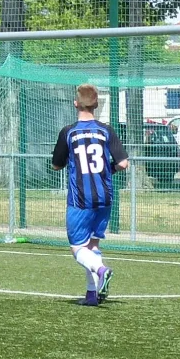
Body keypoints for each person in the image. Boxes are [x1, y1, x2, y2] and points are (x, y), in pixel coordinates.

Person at [52, 84, 129, 306]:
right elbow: (123, 163)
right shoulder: (106, 130)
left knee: (78, 249)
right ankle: (92, 294)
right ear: (96, 105)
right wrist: (108, 169)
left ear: (76, 103)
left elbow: (56, 166)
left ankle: (101, 269)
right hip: (105, 196)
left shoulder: (69, 132)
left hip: (80, 199)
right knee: (92, 246)